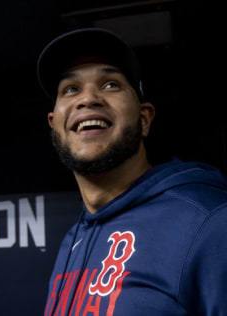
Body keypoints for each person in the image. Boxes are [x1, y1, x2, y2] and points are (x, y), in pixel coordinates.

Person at [37, 28, 227, 316]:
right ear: (54, 124)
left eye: (110, 84)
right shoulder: (73, 238)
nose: (87, 99)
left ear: (144, 118)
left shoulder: (211, 224)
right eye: (70, 89)